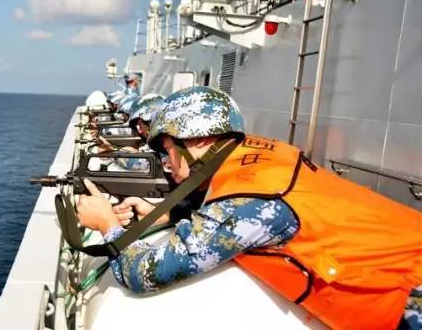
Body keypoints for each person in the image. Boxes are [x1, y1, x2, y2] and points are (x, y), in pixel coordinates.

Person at [76, 86, 422, 330]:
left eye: (168, 150)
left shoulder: (249, 200)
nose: (167, 163)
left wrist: (106, 224)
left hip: (409, 301)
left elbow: (145, 274)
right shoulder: (257, 157)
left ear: (198, 140)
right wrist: (169, 214)